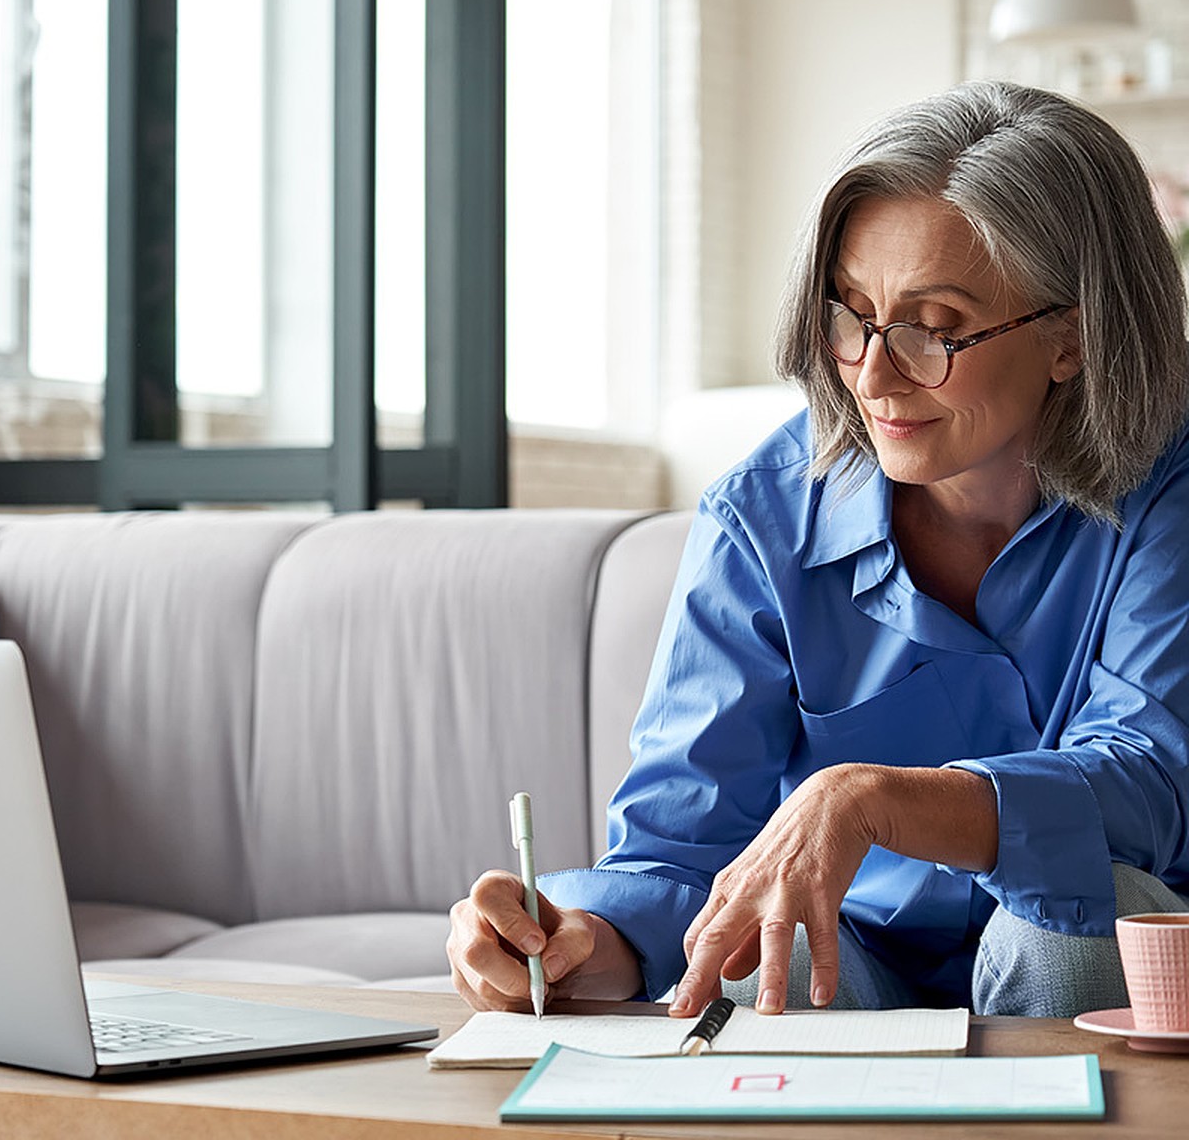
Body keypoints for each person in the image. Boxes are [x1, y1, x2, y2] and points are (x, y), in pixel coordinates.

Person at [447, 80, 1189, 1020]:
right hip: (859, 956)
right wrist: (579, 945)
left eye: (935, 328)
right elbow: (681, 847)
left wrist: (872, 797)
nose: (873, 375)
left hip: (1104, 954)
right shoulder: (762, 516)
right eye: (850, 316)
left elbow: (1149, 783)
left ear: (1070, 341)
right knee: (764, 950)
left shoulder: (1172, 481)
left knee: (1078, 911)